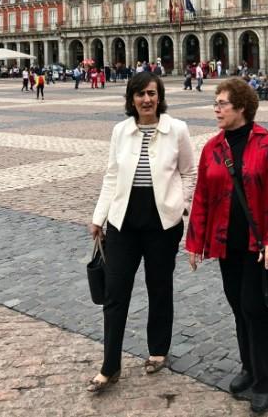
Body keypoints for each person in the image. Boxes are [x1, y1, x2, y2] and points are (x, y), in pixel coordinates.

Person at [186, 78, 268, 414]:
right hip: (225, 244)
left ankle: (263, 380)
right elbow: (201, 196)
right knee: (237, 306)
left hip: (257, 246)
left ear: (241, 108)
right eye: (215, 104)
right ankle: (247, 368)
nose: (216, 109)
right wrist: (195, 243)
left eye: (222, 104)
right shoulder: (212, 147)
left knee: (254, 308)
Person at [87, 72, 196, 393]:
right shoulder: (121, 131)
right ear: (131, 99)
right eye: (140, 94)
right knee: (114, 293)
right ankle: (110, 366)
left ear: (159, 97)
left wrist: (182, 205)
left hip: (162, 223)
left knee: (159, 287)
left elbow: (190, 172)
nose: (146, 100)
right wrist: (99, 217)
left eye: (151, 93)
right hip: (123, 222)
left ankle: (158, 349)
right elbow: (111, 174)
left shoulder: (177, 130)